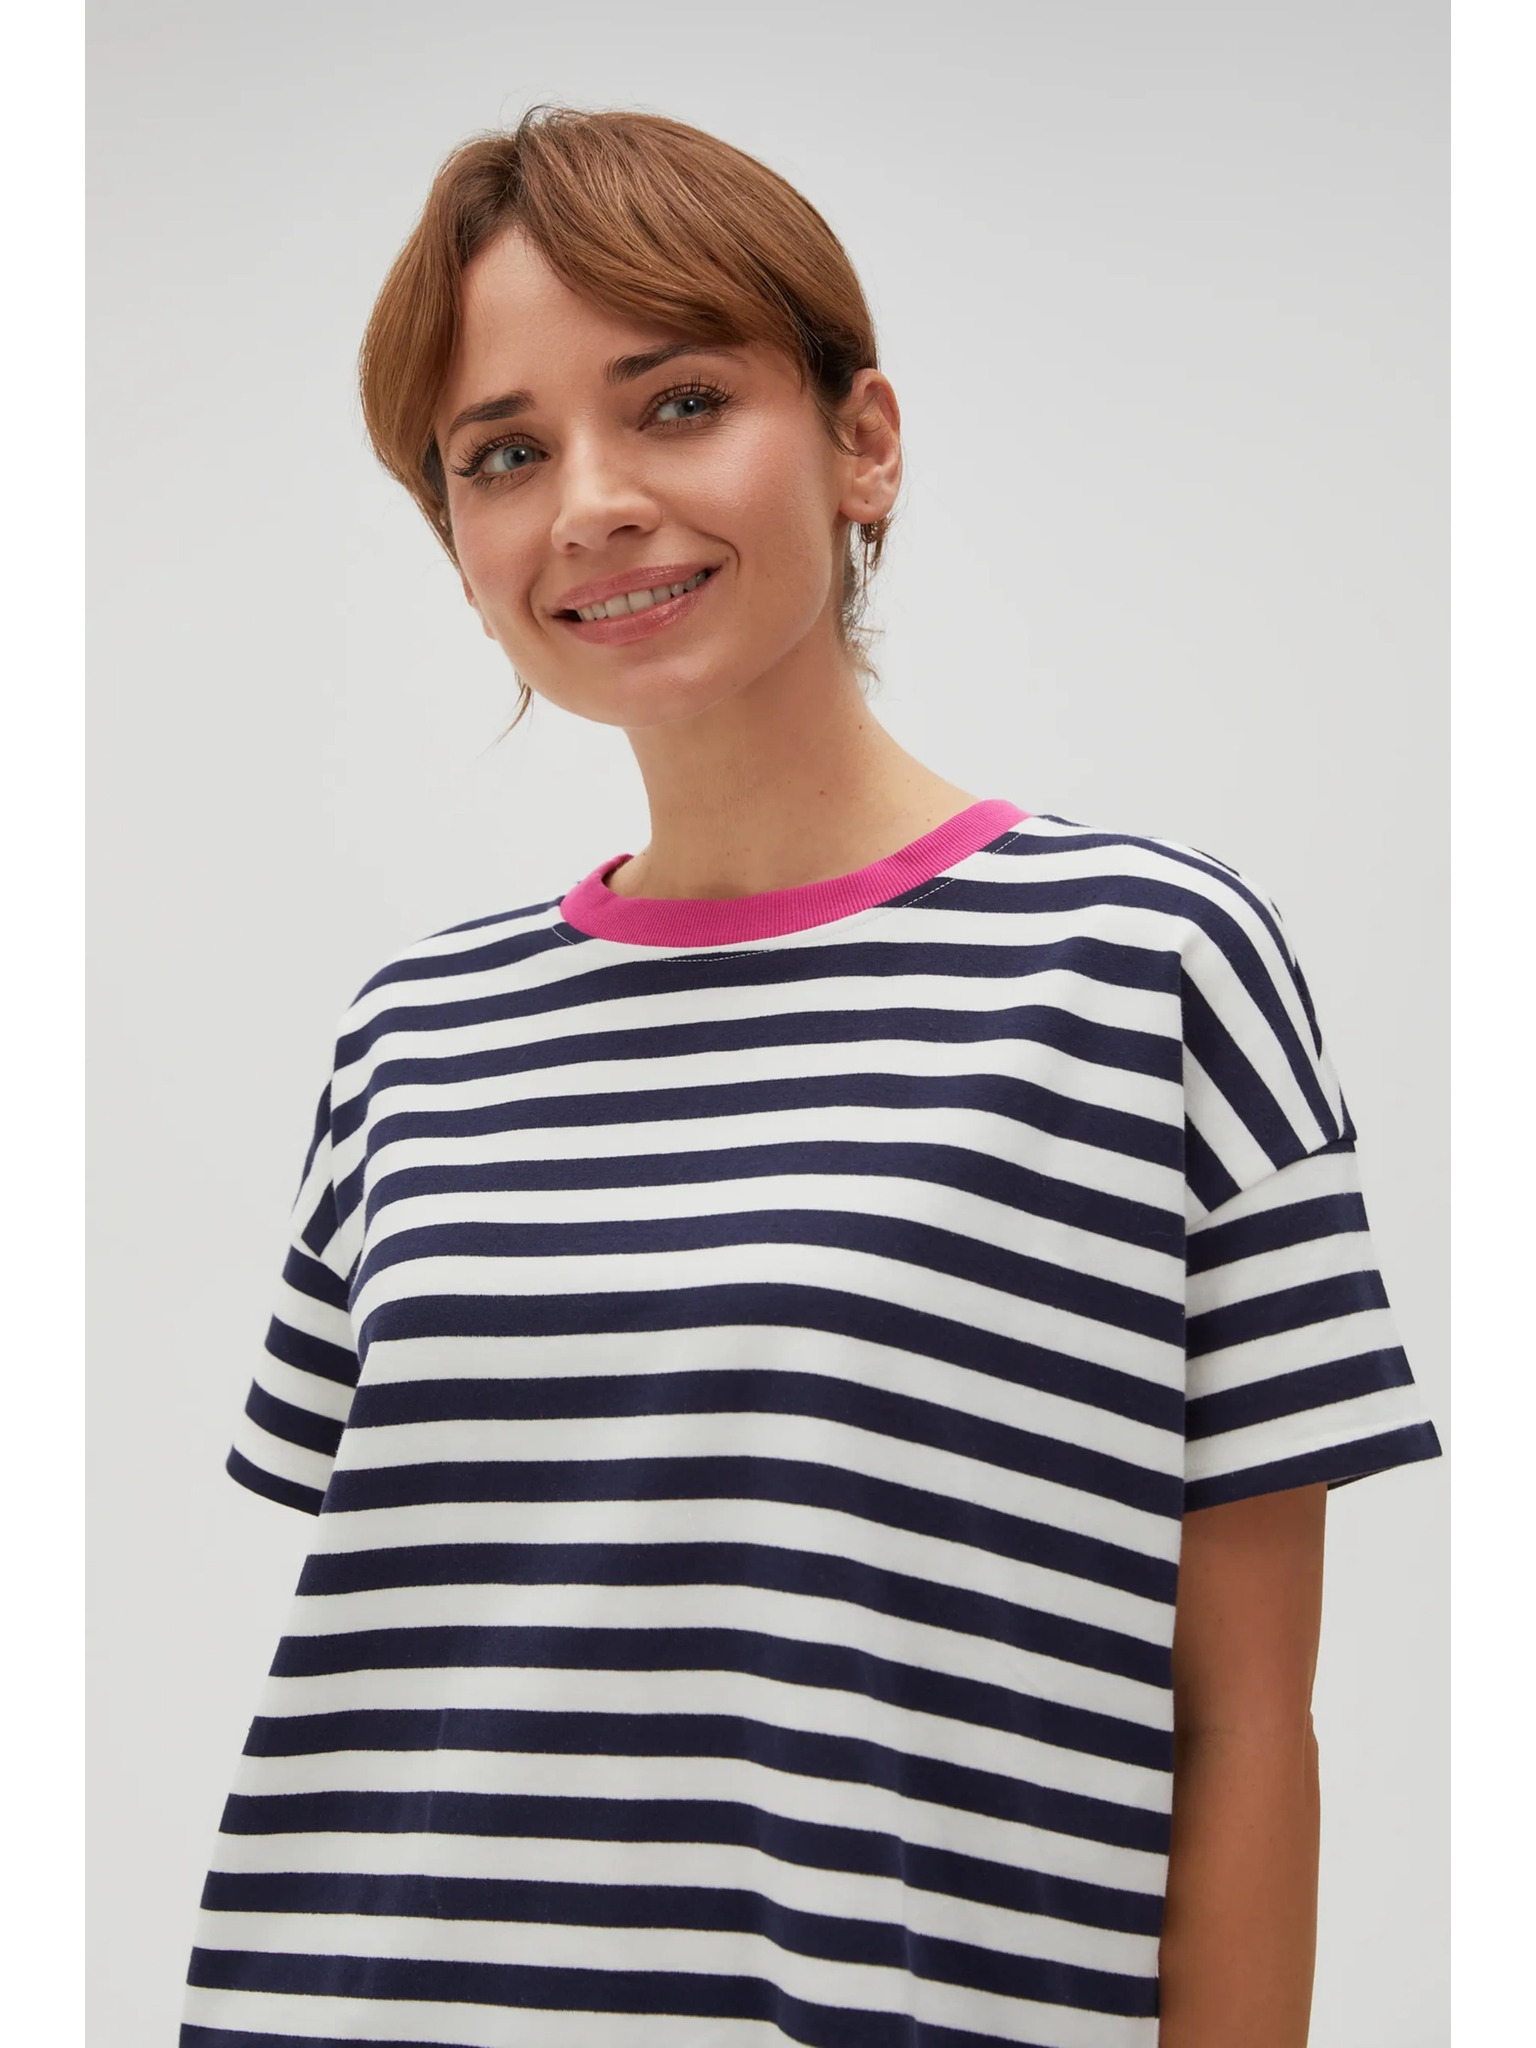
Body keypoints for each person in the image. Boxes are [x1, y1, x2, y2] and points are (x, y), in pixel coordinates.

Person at [180, 106, 1441, 2048]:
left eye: (677, 403)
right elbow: (420, 1666)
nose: (592, 501)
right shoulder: (412, 1036)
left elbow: (1247, 1725)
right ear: (459, 548)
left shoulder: (1144, 967)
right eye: (504, 454)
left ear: (866, 442)